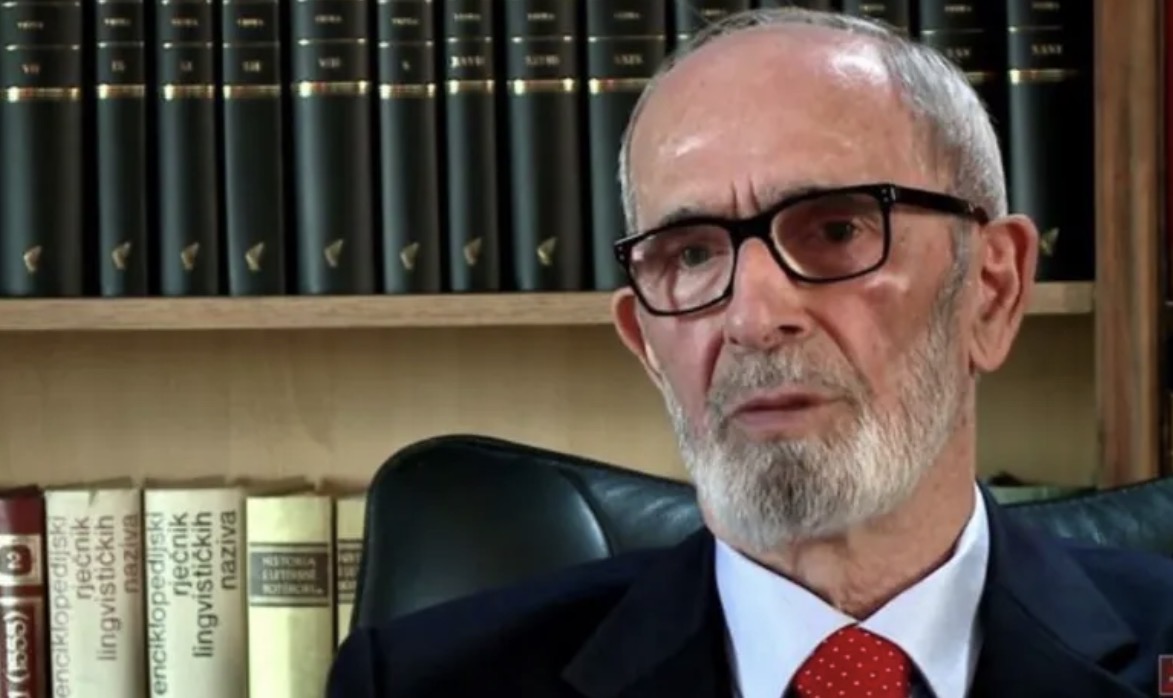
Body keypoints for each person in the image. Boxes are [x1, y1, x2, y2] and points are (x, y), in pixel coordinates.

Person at [326, 7, 1173, 698]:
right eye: (692, 253)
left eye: (836, 230)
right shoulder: (423, 685)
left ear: (990, 289)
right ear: (646, 344)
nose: (754, 317)